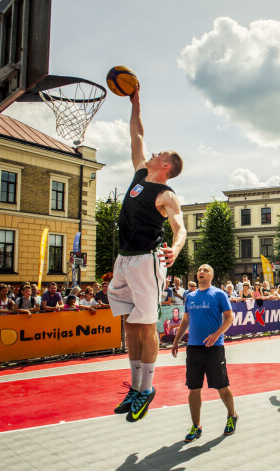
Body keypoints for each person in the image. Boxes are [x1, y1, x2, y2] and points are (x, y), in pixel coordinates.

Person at [109, 84, 186, 424]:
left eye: (159, 153)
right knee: (130, 326)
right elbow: (136, 133)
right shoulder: (141, 172)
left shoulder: (167, 193)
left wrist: (177, 251)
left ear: (167, 165)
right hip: (124, 257)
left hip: (147, 259)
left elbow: (180, 228)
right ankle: (135, 386)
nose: (151, 153)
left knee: (146, 325)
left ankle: (147, 388)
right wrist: (135, 103)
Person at [171, 264, 237, 442]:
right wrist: (176, 341)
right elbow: (186, 320)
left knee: (221, 387)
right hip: (193, 348)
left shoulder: (219, 294)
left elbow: (230, 317)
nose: (201, 272)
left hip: (214, 348)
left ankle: (232, 415)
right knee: (193, 389)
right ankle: (196, 426)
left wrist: (216, 334)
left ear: (212, 275)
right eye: (200, 270)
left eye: (206, 270)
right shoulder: (190, 296)